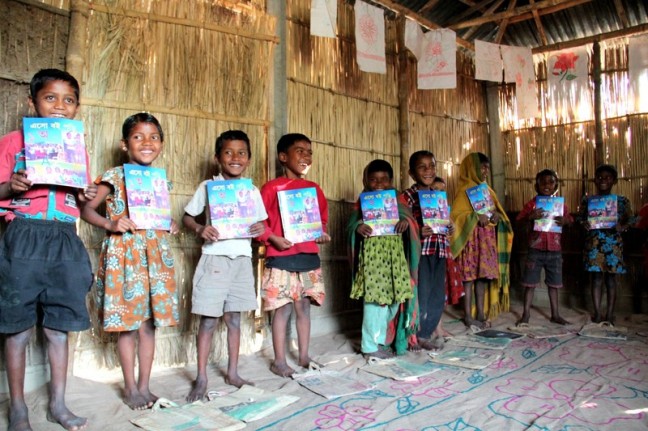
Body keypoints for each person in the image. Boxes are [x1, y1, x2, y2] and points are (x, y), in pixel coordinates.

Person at [0, 68, 96, 431]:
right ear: (32, 102)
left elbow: (80, 197)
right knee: (18, 330)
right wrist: (12, 186)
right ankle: (19, 410)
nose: (60, 106)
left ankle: (58, 404)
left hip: (64, 237)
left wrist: (85, 193)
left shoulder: (77, 147)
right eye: (50, 98)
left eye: (69, 100)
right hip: (23, 236)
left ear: (76, 107)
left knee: (59, 328)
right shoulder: (12, 141)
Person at [81, 113, 179, 410]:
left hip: (155, 258)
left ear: (161, 144)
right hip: (126, 256)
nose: (147, 143)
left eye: (153, 137)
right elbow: (87, 210)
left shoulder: (159, 180)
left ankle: (146, 386)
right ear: (125, 144)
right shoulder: (113, 176)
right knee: (129, 324)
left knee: (149, 325)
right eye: (138, 137)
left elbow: (157, 217)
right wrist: (111, 225)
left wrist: (169, 223)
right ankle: (131, 388)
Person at [183, 130, 267, 401]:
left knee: (234, 319)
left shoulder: (251, 190)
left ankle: (232, 371)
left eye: (241, 153)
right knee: (209, 320)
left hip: (242, 259)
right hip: (215, 258)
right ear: (217, 157)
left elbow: (261, 223)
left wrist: (259, 226)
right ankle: (202, 377)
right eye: (228, 152)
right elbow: (187, 217)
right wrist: (200, 229)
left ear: (249, 159)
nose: (235, 158)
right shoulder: (208, 187)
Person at [257, 133, 330, 377]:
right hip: (281, 259)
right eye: (300, 151)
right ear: (283, 157)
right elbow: (258, 224)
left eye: (309, 152)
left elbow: (321, 222)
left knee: (304, 309)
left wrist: (322, 234)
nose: (306, 156)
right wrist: (271, 238)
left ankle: (304, 355)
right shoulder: (270, 188)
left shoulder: (314, 190)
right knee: (282, 309)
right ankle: (279, 361)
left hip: (308, 259)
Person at [347, 159, 420, 358]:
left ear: (391, 180)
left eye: (384, 180)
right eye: (373, 180)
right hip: (372, 258)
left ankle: (379, 340)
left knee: (395, 300)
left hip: (395, 258)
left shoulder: (397, 198)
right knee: (374, 302)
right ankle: (369, 346)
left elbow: (410, 221)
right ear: (366, 180)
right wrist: (358, 227)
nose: (379, 185)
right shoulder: (363, 200)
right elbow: (350, 227)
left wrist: (405, 222)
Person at [450, 152, 513, 329]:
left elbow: (497, 212)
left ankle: (481, 313)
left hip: (485, 242)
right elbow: (455, 216)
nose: (485, 170)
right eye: (481, 167)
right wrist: (475, 216)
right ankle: (468, 316)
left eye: (487, 167)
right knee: (468, 279)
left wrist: (496, 216)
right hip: (470, 243)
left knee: (483, 278)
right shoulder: (463, 191)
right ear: (471, 168)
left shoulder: (487, 190)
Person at [402, 151, 455, 350]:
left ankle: (428, 330)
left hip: (440, 250)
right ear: (411, 173)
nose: (428, 170)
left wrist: (450, 228)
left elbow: (446, 222)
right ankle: (417, 335)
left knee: (436, 294)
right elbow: (401, 221)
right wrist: (417, 228)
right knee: (421, 293)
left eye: (431, 166)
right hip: (421, 252)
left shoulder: (438, 196)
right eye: (421, 167)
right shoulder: (407, 196)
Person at [515, 169, 573, 326]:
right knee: (530, 283)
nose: (547, 185)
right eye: (543, 182)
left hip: (555, 250)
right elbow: (519, 221)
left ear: (556, 186)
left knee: (554, 284)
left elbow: (570, 220)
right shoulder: (531, 205)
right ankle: (525, 314)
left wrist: (566, 221)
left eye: (551, 182)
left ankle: (555, 314)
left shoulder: (561, 205)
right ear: (536, 185)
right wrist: (530, 217)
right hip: (535, 249)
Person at [577, 164, 632, 325]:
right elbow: (580, 218)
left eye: (607, 178)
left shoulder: (621, 201)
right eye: (600, 177)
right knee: (596, 279)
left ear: (614, 181)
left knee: (610, 280)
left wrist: (623, 227)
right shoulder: (588, 200)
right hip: (594, 244)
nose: (603, 180)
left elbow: (632, 219)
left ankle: (609, 314)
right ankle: (598, 314)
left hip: (613, 244)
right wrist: (584, 224)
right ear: (595, 180)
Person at [431, 176, 463, 338]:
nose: (438, 193)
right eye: (434, 189)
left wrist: (451, 227)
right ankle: (433, 328)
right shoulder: (423, 208)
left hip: (443, 252)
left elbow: (452, 227)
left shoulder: (444, 209)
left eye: (442, 190)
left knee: (440, 292)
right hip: (429, 253)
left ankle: (439, 328)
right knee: (431, 292)